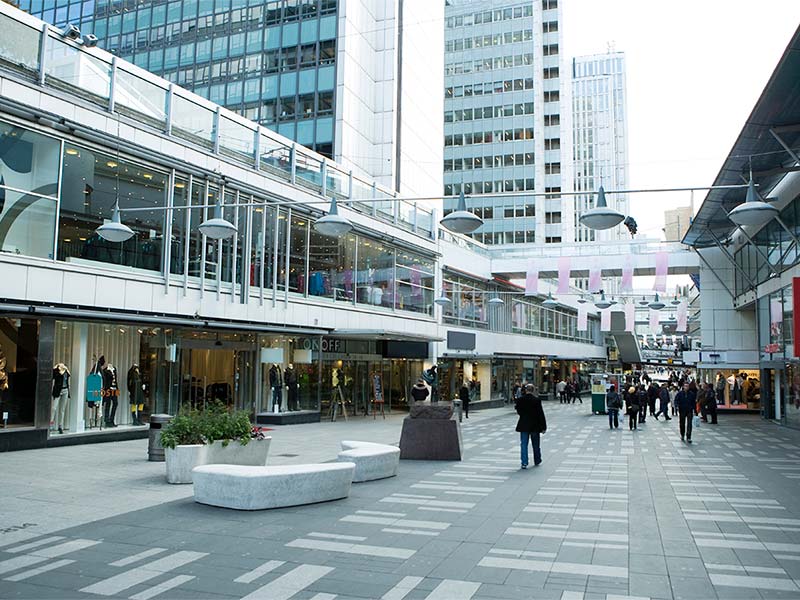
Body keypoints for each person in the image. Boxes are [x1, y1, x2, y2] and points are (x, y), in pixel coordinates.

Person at [515, 383, 546, 469]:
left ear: (526, 390)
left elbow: (518, 411)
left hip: (524, 424)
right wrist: (543, 427)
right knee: (535, 444)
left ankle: (524, 462)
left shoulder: (521, 400)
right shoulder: (536, 400)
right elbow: (540, 414)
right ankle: (537, 459)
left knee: (524, 444)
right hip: (535, 425)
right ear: (533, 390)